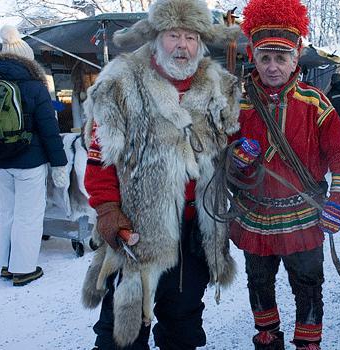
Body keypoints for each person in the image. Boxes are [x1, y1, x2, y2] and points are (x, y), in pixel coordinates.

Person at [80, 0, 240, 348]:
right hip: (138, 232)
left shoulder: (219, 86)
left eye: (191, 37)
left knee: (182, 327)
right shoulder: (121, 83)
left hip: (196, 230)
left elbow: (235, 147)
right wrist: (108, 209)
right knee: (123, 332)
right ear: (155, 37)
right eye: (173, 35)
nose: (182, 45)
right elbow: (99, 161)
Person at [232, 1, 340, 349]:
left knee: (308, 281)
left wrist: (339, 202)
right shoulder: (237, 104)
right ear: (253, 56)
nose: (272, 67)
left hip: (304, 214)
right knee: (258, 279)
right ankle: (267, 336)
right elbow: (220, 163)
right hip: (254, 214)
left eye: (281, 58)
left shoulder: (315, 102)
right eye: (265, 58)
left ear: (295, 58)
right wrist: (237, 158)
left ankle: (308, 341)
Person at [0, 25, 68, 286]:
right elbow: (50, 131)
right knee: (28, 214)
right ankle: (24, 269)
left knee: (5, 212)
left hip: (0, 162)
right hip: (29, 162)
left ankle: (5, 265)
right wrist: (59, 164)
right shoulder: (34, 86)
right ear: (28, 58)